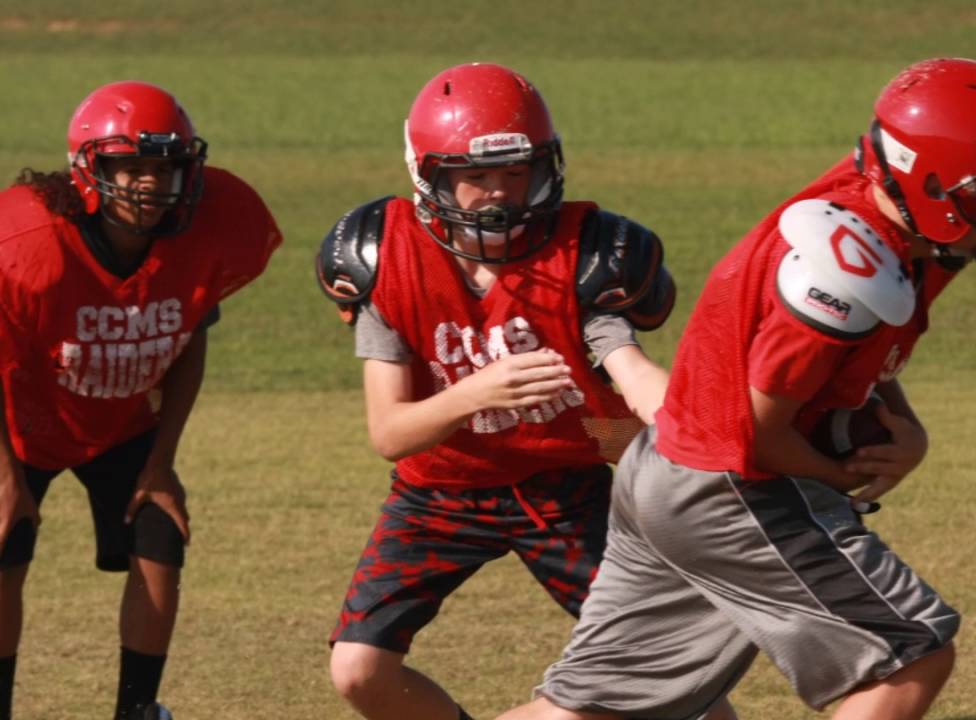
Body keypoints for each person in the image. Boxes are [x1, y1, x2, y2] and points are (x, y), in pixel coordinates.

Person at [496, 57, 976, 720]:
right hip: (727, 485)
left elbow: (862, 357)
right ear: (932, 180)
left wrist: (905, 433)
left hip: (667, 466)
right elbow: (760, 432)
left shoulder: (890, 208)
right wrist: (837, 474)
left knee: (588, 712)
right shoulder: (841, 272)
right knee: (909, 657)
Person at [316, 63, 699, 720]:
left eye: (516, 173)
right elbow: (389, 433)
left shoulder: (583, 257)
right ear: (428, 175)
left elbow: (633, 375)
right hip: (440, 491)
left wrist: (696, 429)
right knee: (358, 669)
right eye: (476, 176)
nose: (499, 194)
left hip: (565, 482)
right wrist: (477, 391)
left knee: (678, 674)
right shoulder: (384, 257)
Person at [0, 81, 282, 720]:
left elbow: (186, 338)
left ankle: (138, 709)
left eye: (167, 167)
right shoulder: (27, 244)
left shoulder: (205, 233)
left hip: (121, 419)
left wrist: (162, 460)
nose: (153, 185)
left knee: (160, 532)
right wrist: (5, 475)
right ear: (89, 171)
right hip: (19, 417)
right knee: (5, 542)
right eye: (133, 168)